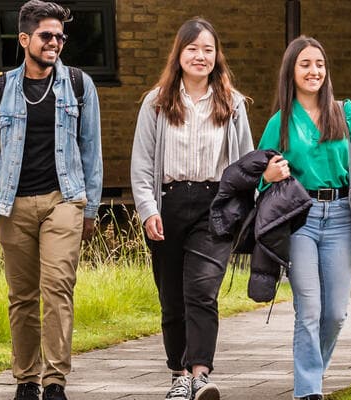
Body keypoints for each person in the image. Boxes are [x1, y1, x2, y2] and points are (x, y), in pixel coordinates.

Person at [0, 1, 102, 399]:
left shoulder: (79, 85)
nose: (56, 42)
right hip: (12, 205)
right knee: (22, 295)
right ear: (24, 38)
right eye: (47, 35)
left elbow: (91, 149)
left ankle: (55, 380)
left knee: (58, 285)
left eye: (60, 36)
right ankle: (26, 379)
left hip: (64, 200)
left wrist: (90, 208)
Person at [257, 36, 351, 400]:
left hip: (340, 219)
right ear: (291, 71)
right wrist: (268, 176)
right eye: (305, 64)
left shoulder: (347, 113)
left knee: (334, 313)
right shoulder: (280, 121)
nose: (313, 70)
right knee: (309, 308)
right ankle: (308, 392)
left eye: (319, 64)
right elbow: (257, 173)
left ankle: (312, 374)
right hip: (299, 220)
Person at [129, 17, 253, 400]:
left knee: (202, 291)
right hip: (168, 203)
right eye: (193, 49)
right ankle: (178, 374)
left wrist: (241, 209)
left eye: (208, 50)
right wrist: (148, 210)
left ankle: (200, 373)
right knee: (172, 298)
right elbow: (142, 161)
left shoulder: (231, 103)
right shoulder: (156, 101)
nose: (200, 56)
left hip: (214, 205)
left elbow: (245, 160)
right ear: (179, 54)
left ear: (217, 57)